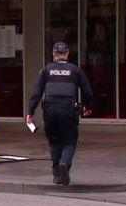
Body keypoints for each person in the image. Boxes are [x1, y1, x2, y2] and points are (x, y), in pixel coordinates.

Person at [26, 42, 93, 185]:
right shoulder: (75, 70)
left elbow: (36, 93)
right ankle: (65, 163)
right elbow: (88, 91)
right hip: (68, 110)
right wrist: (88, 107)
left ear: (54, 55)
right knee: (69, 141)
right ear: (67, 54)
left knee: (54, 142)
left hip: (49, 111)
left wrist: (30, 112)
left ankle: (57, 175)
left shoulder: (46, 70)